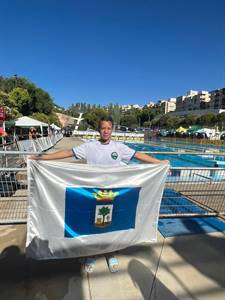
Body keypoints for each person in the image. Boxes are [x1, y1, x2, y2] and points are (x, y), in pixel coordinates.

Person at [30, 116, 169, 273]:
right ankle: (92, 254)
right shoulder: (89, 147)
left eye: (109, 128)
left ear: (112, 129)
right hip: (93, 194)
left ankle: (110, 253)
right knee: (93, 226)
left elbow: (137, 155)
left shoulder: (119, 147)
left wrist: (159, 163)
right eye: (103, 128)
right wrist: (40, 158)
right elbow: (67, 153)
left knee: (111, 225)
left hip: (113, 195)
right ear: (99, 129)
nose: (106, 131)